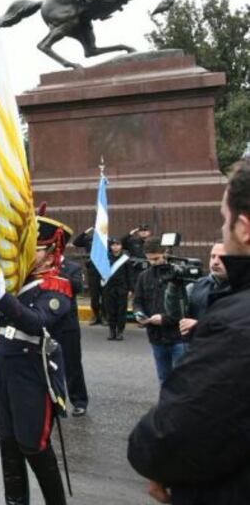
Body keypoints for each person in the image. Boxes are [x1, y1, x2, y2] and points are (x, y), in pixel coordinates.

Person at [128, 160, 250, 503]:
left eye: (224, 219)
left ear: (243, 228)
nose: (223, 230)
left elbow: (172, 434)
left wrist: (155, 460)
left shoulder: (235, 323)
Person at [0, 215, 74, 505]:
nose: (26, 254)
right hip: (3, 365)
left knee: (32, 443)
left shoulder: (57, 287)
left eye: (34, 248)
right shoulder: (17, 280)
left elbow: (35, 322)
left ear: (52, 253)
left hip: (30, 371)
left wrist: (1, 293)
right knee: (8, 443)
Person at [133, 240, 185, 385]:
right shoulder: (144, 276)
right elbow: (138, 301)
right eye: (149, 259)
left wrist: (164, 318)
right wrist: (139, 313)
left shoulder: (179, 275)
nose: (153, 262)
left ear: (165, 253)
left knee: (182, 379)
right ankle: (167, 407)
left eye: (156, 259)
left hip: (178, 336)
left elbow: (186, 306)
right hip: (156, 337)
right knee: (164, 378)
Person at [58, 254, 89, 416]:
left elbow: (78, 287)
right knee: (49, 367)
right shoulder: (39, 267)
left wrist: (56, 271)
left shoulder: (73, 267)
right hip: (47, 323)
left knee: (72, 365)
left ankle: (79, 401)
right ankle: (56, 402)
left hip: (67, 325)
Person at [180, 243, 229, 339]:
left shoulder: (244, 289)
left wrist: (200, 326)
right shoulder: (195, 286)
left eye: (222, 257)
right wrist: (173, 288)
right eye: (213, 256)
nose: (215, 262)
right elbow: (175, 316)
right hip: (198, 350)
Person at [71, 228, 104, 325]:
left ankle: (105, 316)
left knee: (105, 295)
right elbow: (76, 242)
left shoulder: (106, 240)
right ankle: (96, 315)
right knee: (94, 295)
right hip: (92, 270)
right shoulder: (89, 239)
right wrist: (85, 232)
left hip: (103, 270)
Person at [102, 237, 132, 341]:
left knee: (121, 311)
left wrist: (130, 289)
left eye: (118, 244)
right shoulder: (106, 258)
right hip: (109, 288)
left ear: (121, 246)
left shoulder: (125, 259)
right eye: (113, 245)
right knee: (110, 311)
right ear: (110, 246)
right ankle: (111, 331)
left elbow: (129, 275)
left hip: (122, 288)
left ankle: (120, 331)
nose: (115, 246)